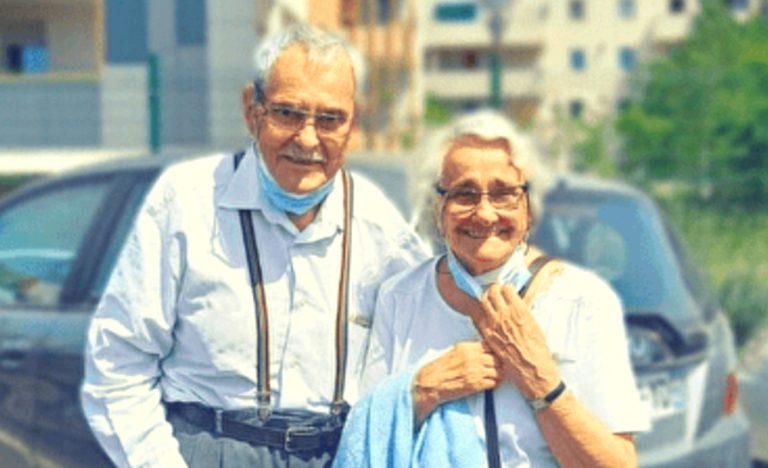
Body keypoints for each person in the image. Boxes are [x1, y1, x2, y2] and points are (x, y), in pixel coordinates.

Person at [81, 24, 427, 468]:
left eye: (329, 119)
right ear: (252, 110)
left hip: (338, 453)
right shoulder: (187, 201)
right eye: (287, 113)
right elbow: (119, 359)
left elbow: (427, 347)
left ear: (352, 124)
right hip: (210, 447)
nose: (307, 139)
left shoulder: (380, 224)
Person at [335, 110, 649, 467]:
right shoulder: (400, 298)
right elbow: (366, 436)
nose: (485, 214)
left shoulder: (582, 301)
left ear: (529, 207)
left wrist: (540, 379)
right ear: (436, 206)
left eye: (504, 195)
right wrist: (425, 389)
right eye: (464, 194)